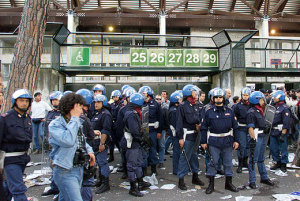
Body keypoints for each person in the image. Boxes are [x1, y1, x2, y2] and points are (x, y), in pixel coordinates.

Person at [49, 93, 95, 201]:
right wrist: (74, 118)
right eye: (79, 107)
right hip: (64, 170)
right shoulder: (55, 125)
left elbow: (80, 140)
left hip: (78, 168)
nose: (81, 110)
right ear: (71, 107)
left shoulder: (76, 122)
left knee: (65, 198)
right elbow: (68, 140)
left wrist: (90, 151)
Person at [201, 88, 239, 194]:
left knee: (228, 163)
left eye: (220, 97)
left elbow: (235, 127)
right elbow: (204, 128)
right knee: (213, 163)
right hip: (214, 141)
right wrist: (203, 142)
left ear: (223, 98)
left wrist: (236, 140)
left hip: (227, 141)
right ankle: (211, 185)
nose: (218, 99)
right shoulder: (208, 112)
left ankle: (229, 184)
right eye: (216, 97)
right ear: (213, 98)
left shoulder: (230, 111)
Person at [0, 89, 33, 201]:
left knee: (9, 187)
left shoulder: (27, 118)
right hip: (10, 159)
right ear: (15, 102)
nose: (24, 103)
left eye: (26, 101)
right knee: (18, 189)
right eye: (21, 100)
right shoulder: (5, 118)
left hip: (23, 158)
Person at [176, 84, 204, 190]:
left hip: (196, 134)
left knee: (194, 155)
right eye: (194, 92)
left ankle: (195, 176)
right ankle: (181, 180)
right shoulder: (182, 106)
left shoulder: (195, 104)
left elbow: (199, 117)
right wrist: (180, 138)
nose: (196, 94)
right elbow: (179, 123)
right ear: (189, 93)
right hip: (186, 135)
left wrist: (199, 124)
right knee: (185, 157)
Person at [123, 93, 151, 197]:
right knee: (132, 165)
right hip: (132, 143)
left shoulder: (132, 112)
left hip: (136, 142)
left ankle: (140, 182)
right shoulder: (131, 114)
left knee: (138, 162)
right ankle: (133, 188)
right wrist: (142, 139)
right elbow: (135, 131)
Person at [247, 91, 274, 189]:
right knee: (253, 160)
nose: (263, 101)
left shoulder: (260, 110)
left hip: (263, 136)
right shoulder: (251, 112)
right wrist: (253, 140)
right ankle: (252, 181)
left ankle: (264, 177)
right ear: (257, 100)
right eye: (262, 99)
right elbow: (250, 128)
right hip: (256, 137)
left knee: (261, 158)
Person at [41, 91, 63, 197]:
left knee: (59, 168)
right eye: (53, 100)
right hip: (50, 145)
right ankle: (54, 187)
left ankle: (60, 189)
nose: (55, 102)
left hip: (59, 146)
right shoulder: (50, 113)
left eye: (56, 100)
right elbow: (46, 128)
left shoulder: (63, 114)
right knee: (52, 167)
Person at [90, 94, 112, 194]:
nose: (96, 104)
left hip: (101, 142)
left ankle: (105, 183)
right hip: (94, 142)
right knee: (98, 162)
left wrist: (102, 143)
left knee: (103, 163)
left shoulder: (105, 114)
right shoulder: (96, 113)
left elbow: (105, 130)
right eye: (95, 102)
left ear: (103, 103)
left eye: (98, 102)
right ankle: (100, 180)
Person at [139, 86, 163, 175]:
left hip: (152, 131)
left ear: (148, 94)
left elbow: (160, 118)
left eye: (144, 94)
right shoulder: (140, 103)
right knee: (143, 150)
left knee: (153, 150)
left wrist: (159, 131)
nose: (142, 95)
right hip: (142, 131)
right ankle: (144, 169)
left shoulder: (156, 104)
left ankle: (153, 169)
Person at [115, 87, 136, 179]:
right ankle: (126, 171)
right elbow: (119, 125)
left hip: (134, 136)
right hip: (126, 135)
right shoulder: (123, 110)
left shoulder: (139, 109)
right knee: (125, 155)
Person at [269, 90, 291, 173]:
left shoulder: (285, 108)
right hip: (273, 131)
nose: (273, 98)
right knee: (273, 148)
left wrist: (283, 134)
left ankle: (283, 164)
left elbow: (286, 122)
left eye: (275, 97)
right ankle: (277, 162)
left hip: (281, 132)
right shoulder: (274, 107)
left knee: (283, 148)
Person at [233, 87, 251, 173]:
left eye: (247, 95)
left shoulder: (251, 105)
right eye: (244, 95)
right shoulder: (237, 106)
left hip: (250, 128)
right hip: (241, 127)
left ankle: (245, 162)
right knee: (242, 146)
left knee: (248, 146)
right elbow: (233, 116)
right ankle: (240, 163)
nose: (245, 97)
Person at [168, 91, 183, 175]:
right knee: (177, 152)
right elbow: (176, 124)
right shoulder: (174, 111)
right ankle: (176, 169)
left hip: (176, 134)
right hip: (176, 135)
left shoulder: (175, 109)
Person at [108, 90, 122, 163]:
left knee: (119, 142)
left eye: (116, 96)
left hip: (118, 125)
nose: (115, 98)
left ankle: (123, 157)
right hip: (112, 125)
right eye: (114, 96)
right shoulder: (112, 104)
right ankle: (111, 156)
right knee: (112, 142)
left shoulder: (121, 104)